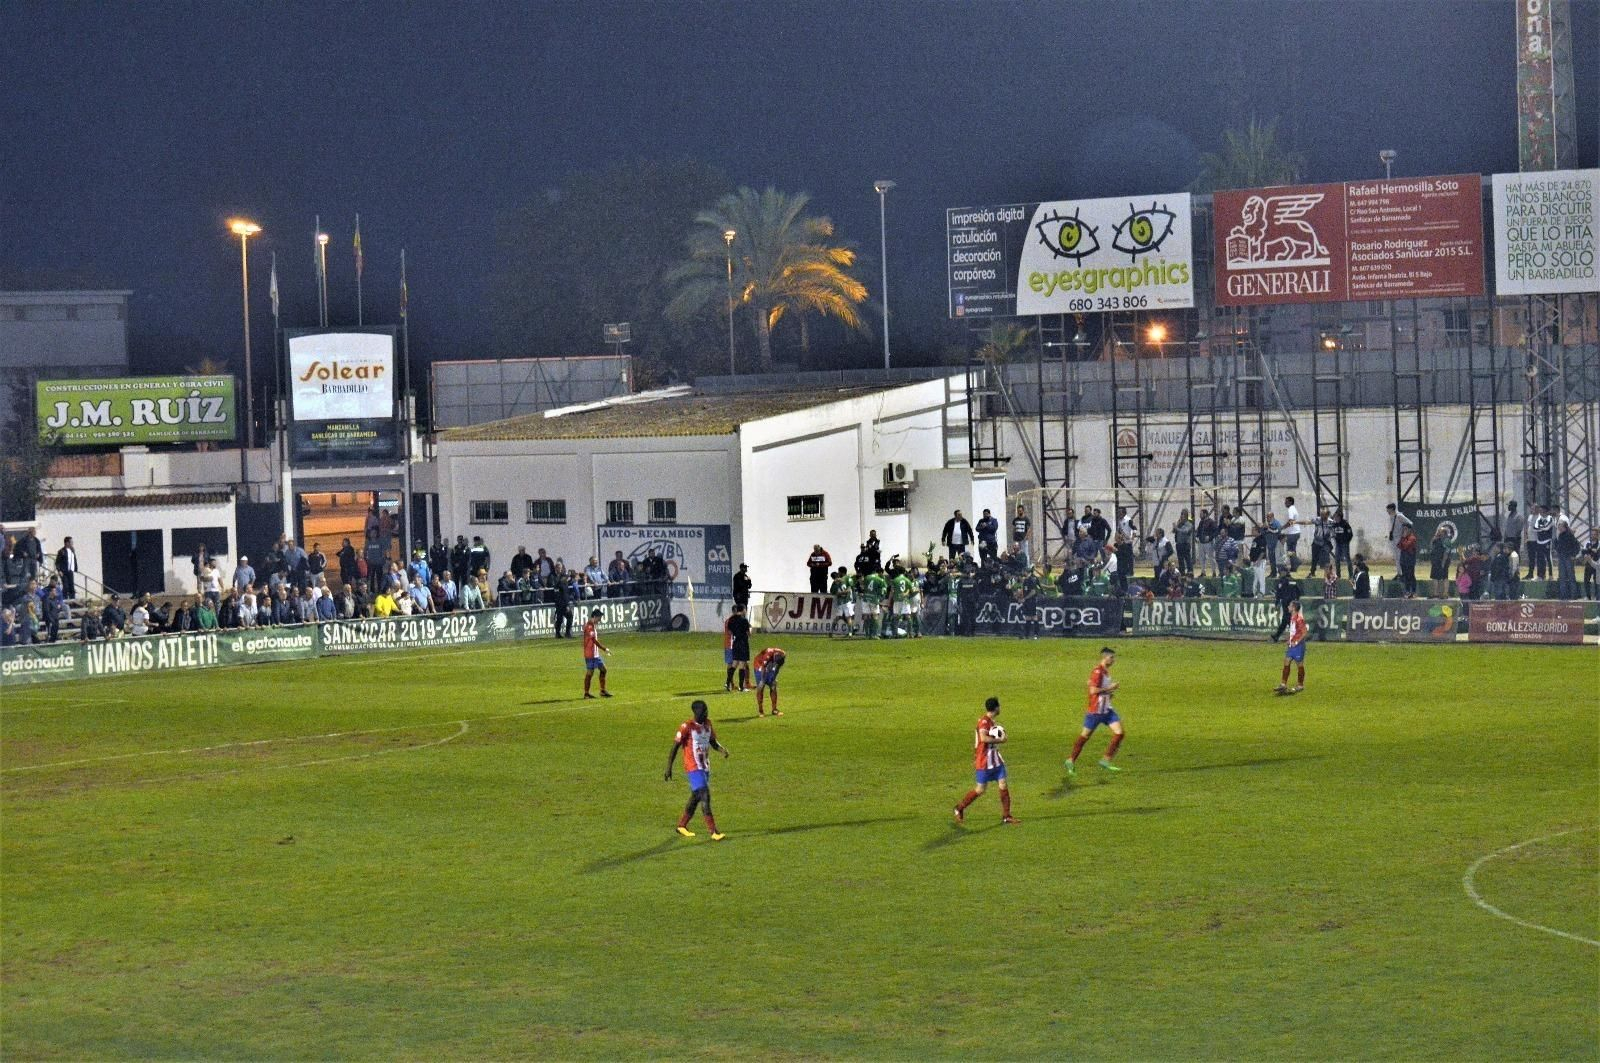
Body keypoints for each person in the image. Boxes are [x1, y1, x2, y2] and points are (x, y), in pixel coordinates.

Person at [665, 699, 728, 840]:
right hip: (693, 767)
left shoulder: (708, 724)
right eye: (704, 711)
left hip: (705, 767)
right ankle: (714, 832)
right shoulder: (687, 727)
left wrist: (721, 749)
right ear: (697, 712)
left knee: (696, 797)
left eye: (707, 710)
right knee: (705, 795)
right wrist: (669, 767)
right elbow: (675, 747)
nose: (706, 713)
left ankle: (682, 825)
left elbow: (712, 742)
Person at [952, 697, 1017, 825]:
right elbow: (983, 738)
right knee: (980, 789)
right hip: (984, 761)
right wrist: (1000, 740)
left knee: (1003, 784)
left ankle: (1006, 816)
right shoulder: (984, 722)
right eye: (999, 706)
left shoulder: (991, 722)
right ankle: (959, 808)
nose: (1000, 708)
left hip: (996, 760)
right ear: (996, 708)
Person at [1066, 646, 1125, 775]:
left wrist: (1109, 694)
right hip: (1095, 712)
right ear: (1105, 658)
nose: (1113, 660)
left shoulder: (1105, 672)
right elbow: (1093, 691)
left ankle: (1105, 760)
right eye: (1111, 657)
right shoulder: (1097, 672)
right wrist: (1110, 688)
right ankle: (1070, 760)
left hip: (1106, 710)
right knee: (1085, 736)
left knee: (1120, 733)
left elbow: (1096, 687)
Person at [1274, 600, 1308, 695]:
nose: (1288, 606)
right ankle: (1283, 684)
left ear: (1293, 608)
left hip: (1298, 646)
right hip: (1292, 645)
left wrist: (1296, 641)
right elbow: (1295, 631)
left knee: (1299, 664)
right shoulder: (1292, 617)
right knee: (1286, 661)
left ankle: (1300, 685)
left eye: (1289, 605)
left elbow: (1304, 632)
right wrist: (1290, 640)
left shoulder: (1299, 619)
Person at [581, 608, 611, 699]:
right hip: (590, 654)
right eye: (599, 617)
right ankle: (586, 693)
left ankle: (602, 691)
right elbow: (593, 640)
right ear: (595, 616)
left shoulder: (592, 625)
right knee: (590, 673)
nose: (600, 619)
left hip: (595, 654)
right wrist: (604, 649)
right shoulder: (589, 626)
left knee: (603, 670)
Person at [722, 604, 751, 691]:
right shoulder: (744, 620)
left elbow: (730, 631)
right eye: (745, 609)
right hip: (743, 643)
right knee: (742, 664)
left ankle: (727, 683)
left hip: (735, 643)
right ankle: (741, 687)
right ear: (743, 610)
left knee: (734, 663)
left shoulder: (731, 620)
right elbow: (749, 634)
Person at [751, 646, 786, 716]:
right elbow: (763, 668)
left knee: (773, 685)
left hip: (770, 664)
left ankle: (774, 709)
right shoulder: (768, 655)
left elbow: (777, 668)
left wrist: (773, 678)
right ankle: (760, 710)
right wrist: (762, 680)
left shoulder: (783, 654)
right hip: (759, 665)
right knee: (761, 686)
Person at [1270, 569, 1301, 641]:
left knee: (1287, 619)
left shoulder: (1282, 581)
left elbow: (1278, 593)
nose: (1280, 573)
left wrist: (1277, 603)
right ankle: (1277, 636)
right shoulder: (1293, 580)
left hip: (1286, 603)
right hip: (1293, 603)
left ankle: (1296, 635)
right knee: (1286, 619)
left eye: (1281, 572)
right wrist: (1296, 600)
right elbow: (1299, 592)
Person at [860, 567, 888, 638]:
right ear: (880, 573)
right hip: (874, 599)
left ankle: (867, 635)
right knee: (875, 616)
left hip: (865, 598)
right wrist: (880, 599)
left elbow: (862, 586)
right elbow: (883, 591)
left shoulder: (867, 577)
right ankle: (874, 635)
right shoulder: (880, 580)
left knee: (866, 616)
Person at [829, 567, 855, 637]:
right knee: (848, 617)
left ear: (841, 572)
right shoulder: (848, 579)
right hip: (847, 601)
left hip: (840, 602)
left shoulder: (835, 581)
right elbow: (849, 589)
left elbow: (832, 591)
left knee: (838, 617)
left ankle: (831, 631)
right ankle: (850, 633)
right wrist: (844, 592)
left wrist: (839, 593)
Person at [1583, 529, 1600, 601]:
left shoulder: (1599, 543)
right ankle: (1588, 596)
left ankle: (1597, 596)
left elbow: (1597, 553)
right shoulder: (1587, 543)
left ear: (1597, 535)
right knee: (1586, 580)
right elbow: (1584, 551)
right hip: (1588, 564)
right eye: (1592, 534)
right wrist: (1590, 552)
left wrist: (1590, 552)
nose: (1593, 536)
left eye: (1595, 534)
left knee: (1597, 581)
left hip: (1596, 565)